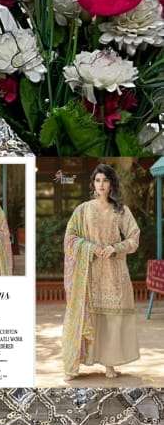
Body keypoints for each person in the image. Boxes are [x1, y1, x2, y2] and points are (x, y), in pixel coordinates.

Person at [62, 162, 141, 378]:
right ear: (93, 184)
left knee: (111, 319)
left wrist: (115, 248)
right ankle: (75, 363)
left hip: (115, 273)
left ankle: (109, 363)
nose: (101, 184)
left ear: (111, 184)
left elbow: (134, 237)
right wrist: (90, 248)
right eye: (97, 180)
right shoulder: (83, 210)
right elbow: (70, 238)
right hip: (89, 273)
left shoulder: (121, 211)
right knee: (87, 316)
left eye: (105, 180)